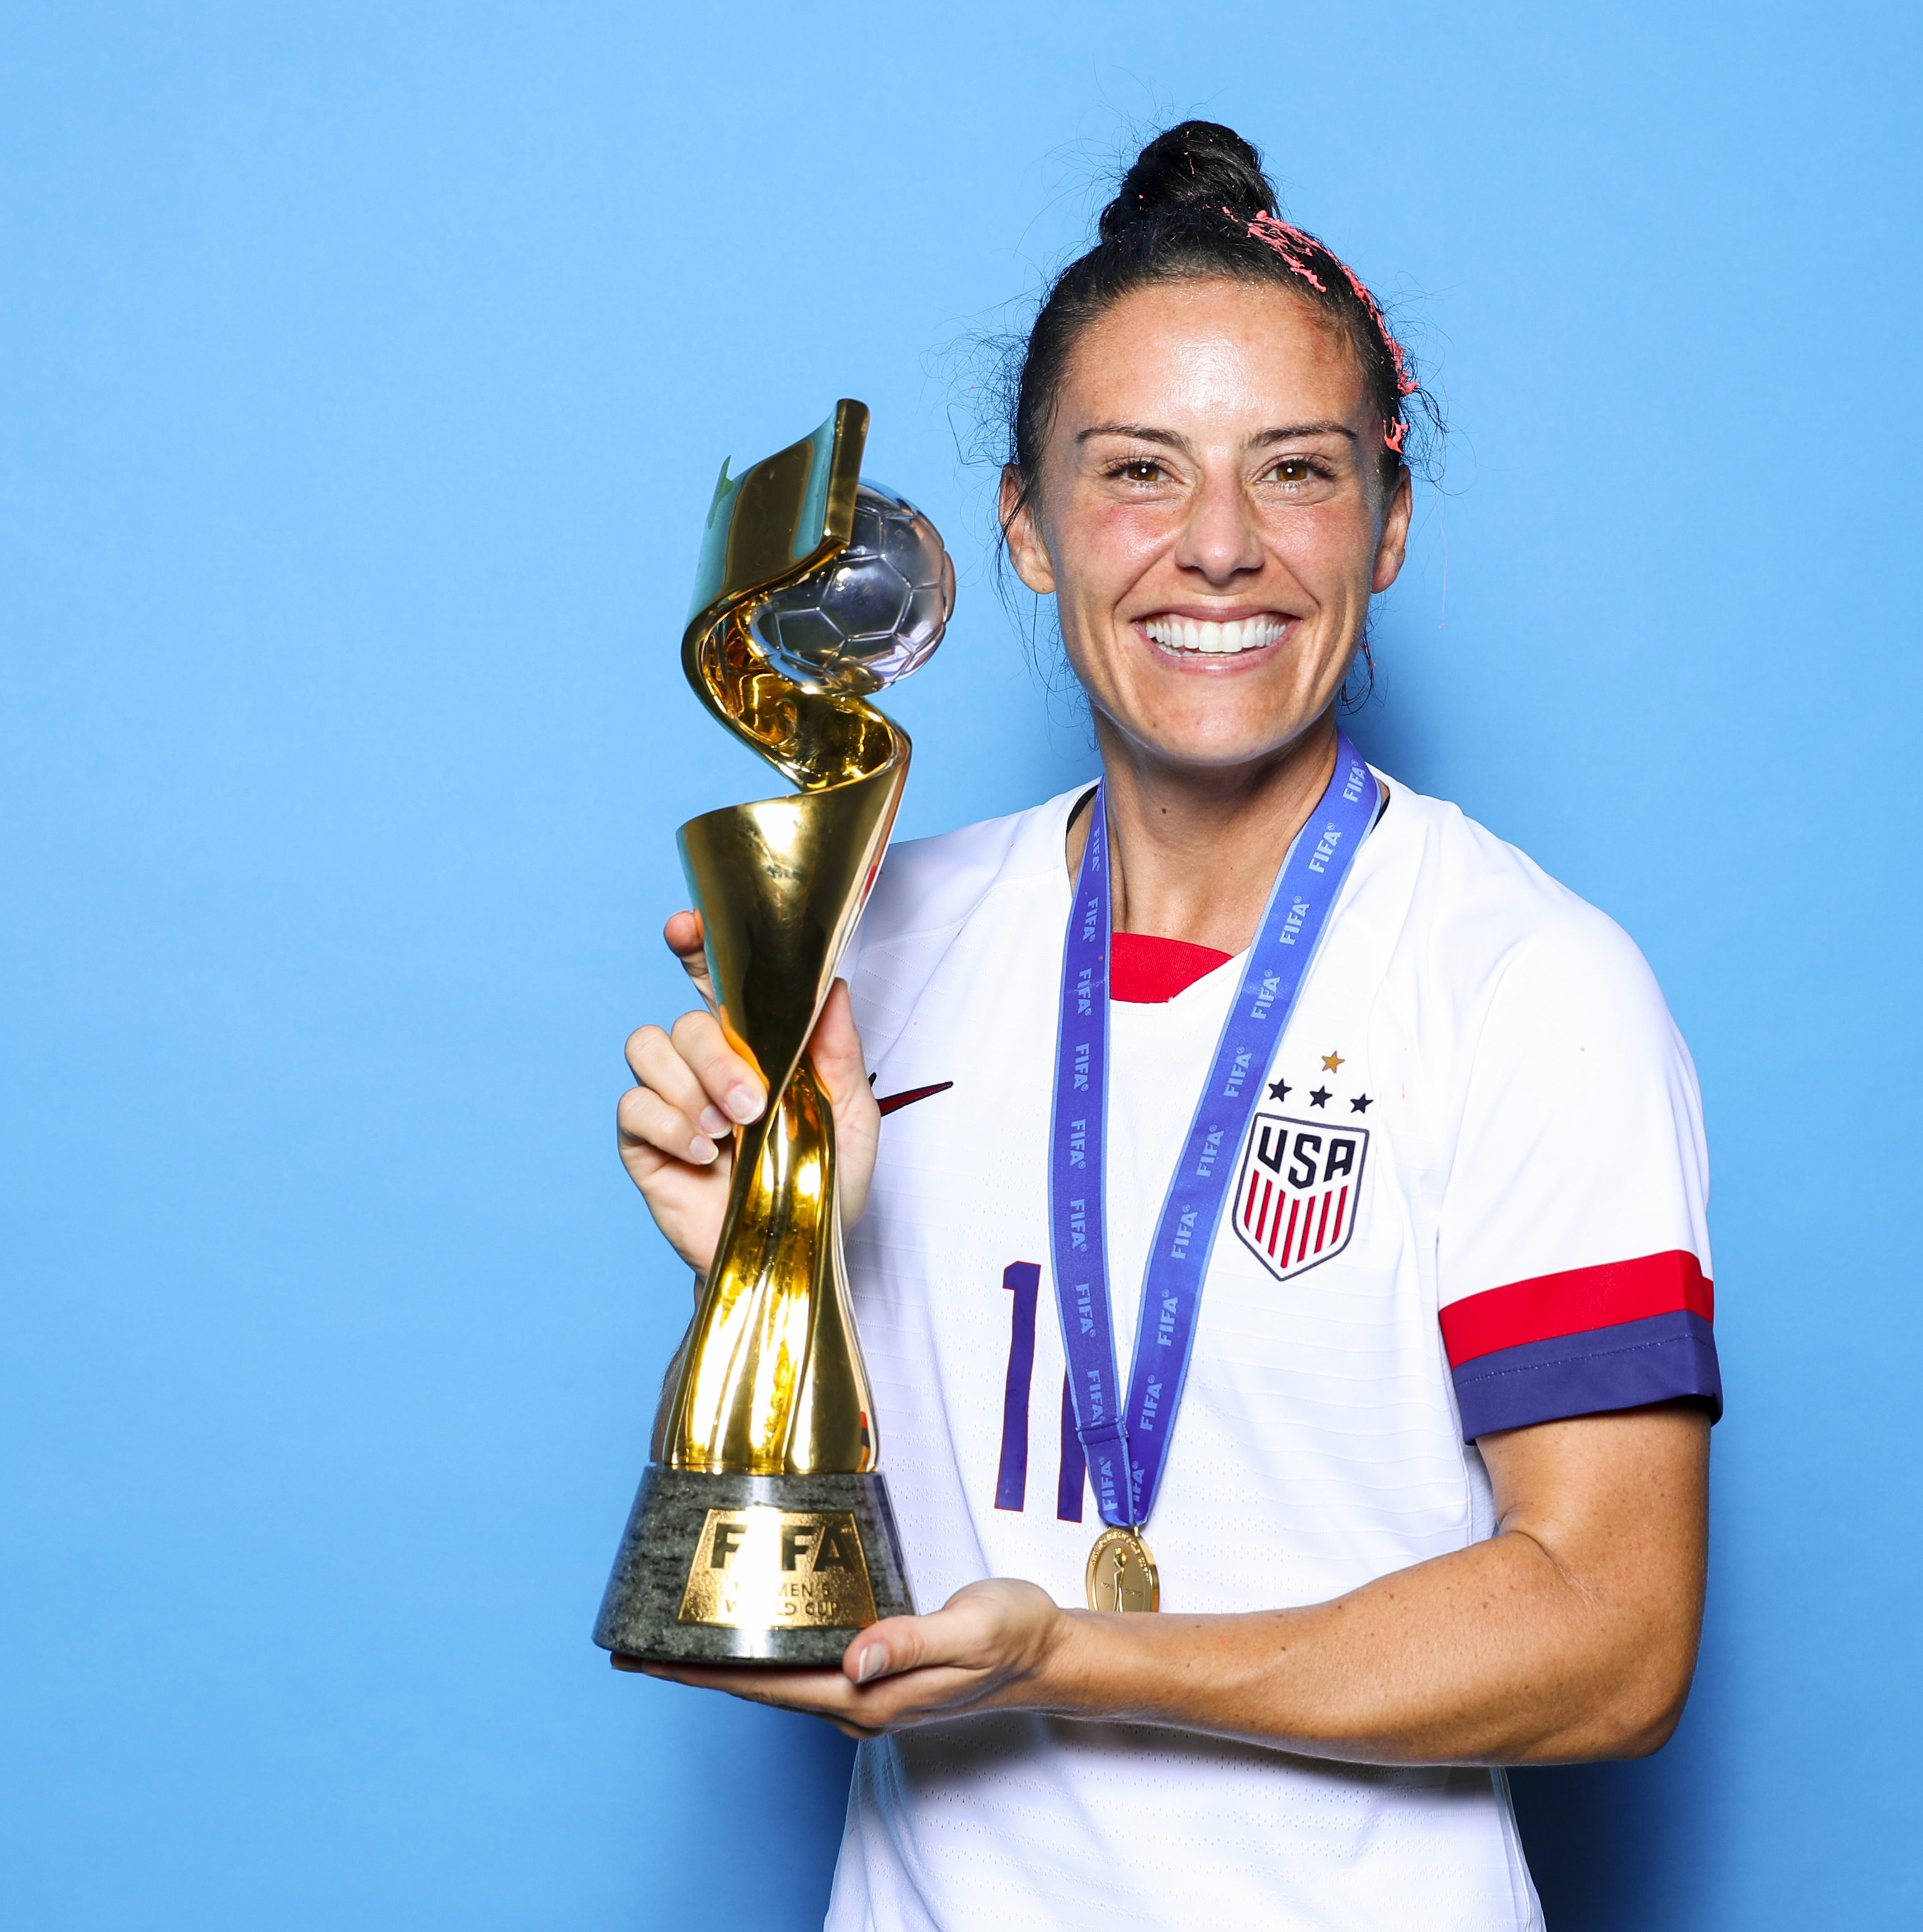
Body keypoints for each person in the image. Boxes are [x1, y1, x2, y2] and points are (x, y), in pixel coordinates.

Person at [613, 121, 1721, 1932]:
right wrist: (769, 1265)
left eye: (1293, 472)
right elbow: (833, 1595)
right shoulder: (878, 940)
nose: (1218, 548)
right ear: (1025, 531)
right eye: (1137, 471)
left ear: (1387, 518)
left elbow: (1614, 1638)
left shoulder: (1521, 982)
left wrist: (1072, 1658)